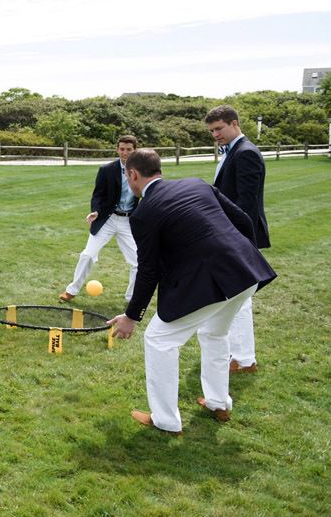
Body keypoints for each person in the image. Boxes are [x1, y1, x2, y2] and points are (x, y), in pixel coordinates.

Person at [110, 149, 276, 435]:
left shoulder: (143, 214)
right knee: (214, 333)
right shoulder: (197, 183)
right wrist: (243, 255)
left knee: (158, 339)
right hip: (246, 270)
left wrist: (131, 317)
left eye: (127, 176)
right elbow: (243, 221)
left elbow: (148, 271)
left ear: (133, 174)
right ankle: (218, 403)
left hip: (213, 279)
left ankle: (165, 420)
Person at [205, 105, 269, 375]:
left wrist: (234, 239)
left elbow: (247, 205)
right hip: (232, 234)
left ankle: (244, 360)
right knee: (237, 296)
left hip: (239, 236)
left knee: (239, 298)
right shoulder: (232, 151)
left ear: (234, 123)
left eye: (219, 129)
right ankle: (238, 354)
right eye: (212, 131)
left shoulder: (246, 153)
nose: (215, 135)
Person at [59, 136, 139, 303]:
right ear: (117, 149)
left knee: (138, 262)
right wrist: (95, 211)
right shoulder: (106, 170)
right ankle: (71, 290)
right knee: (87, 255)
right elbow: (97, 195)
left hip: (128, 222)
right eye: (122, 149)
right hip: (107, 220)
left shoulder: (142, 170)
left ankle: (132, 298)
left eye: (128, 149)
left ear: (135, 150)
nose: (125, 153)